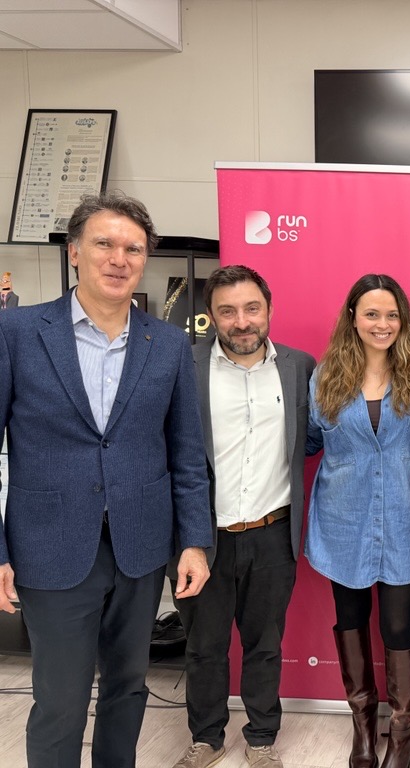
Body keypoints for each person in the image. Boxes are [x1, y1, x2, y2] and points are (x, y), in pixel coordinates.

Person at [0, 192, 212, 767]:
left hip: (139, 548)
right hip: (49, 547)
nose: (119, 259)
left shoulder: (168, 343)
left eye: (133, 249)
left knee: (128, 689)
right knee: (60, 700)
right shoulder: (16, 331)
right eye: (104, 244)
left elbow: (186, 454)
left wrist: (194, 542)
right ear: (74, 252)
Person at [170, 266, 316, 768]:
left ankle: (261, 737)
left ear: (269, 310)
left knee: (265, 645)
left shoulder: (299, 367)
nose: (242, 321)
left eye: (252, 308)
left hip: (273, 533)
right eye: (227, 311)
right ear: (211, 316)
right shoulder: (185, 366)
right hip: (201, 537)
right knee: (204, 647)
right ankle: (207, 738)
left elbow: (309, 437)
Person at [306, 274, 410, 768]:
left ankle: (402, 736)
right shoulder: (325, 377)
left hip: (404, 522)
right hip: (342, 523)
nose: (382, 324)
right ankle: (363, 730)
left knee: (398, 626)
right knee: (350, 620)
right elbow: (307, 441)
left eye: (391, 315)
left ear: (402, 320)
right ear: (353, 318)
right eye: (371, 314)